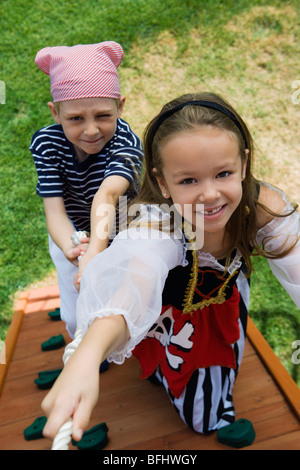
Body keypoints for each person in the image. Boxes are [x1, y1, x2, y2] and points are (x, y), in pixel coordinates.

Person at [41, 92, 300, 442]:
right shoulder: (157, 224)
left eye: (223, 173)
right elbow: (133, 283)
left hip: (220, 304)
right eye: (188, 181)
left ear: (243, 164)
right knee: (156, 360)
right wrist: (88, 354)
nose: (209, 195)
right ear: (162, 183)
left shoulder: (261, 207)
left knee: (204, 418)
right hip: (161, 310)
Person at [30, 41, 144, 338]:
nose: (91, 130)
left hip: (120, 235)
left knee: (121, 298)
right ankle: (81, 343)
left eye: (103, 116)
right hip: (72, 235)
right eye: (76, 118)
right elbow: (54, 210)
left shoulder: (127, 143)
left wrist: (96, 250)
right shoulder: (46, 144)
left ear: (120, 106)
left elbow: (107, 195)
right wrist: (73, 249)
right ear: (55, 113)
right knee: (74, 311)